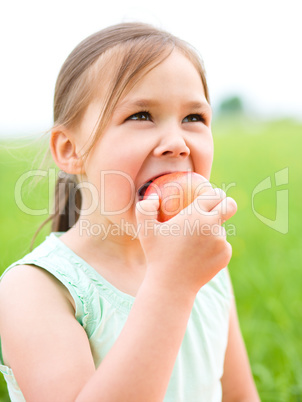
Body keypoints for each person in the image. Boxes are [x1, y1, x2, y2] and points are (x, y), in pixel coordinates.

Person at [0, 22, 260, 401]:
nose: (177, 143)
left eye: (194, 118)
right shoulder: (36, 290)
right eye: (140, 116)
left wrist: (184, 277)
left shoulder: (207, 270)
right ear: (71, 150)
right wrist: (172, 284)